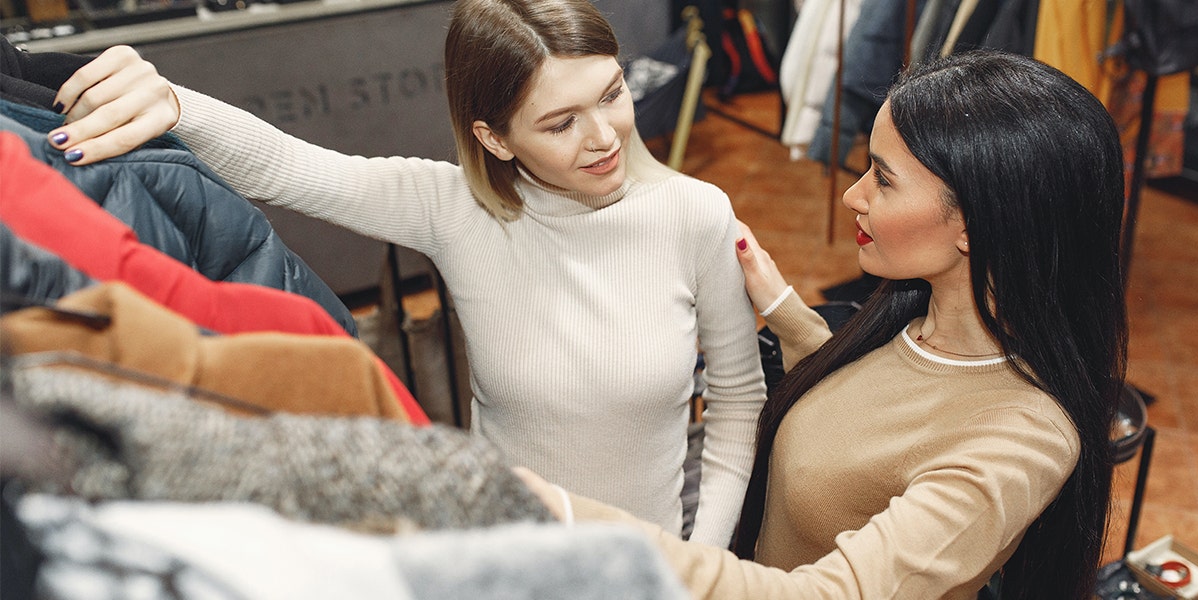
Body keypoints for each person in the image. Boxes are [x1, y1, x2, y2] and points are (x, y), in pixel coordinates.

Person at [44, 0, 766, 547]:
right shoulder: (453, 208)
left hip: (656, 563)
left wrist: (696, 563)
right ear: (494, 137)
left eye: (611, 93)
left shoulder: (696, 213)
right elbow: (290, 167)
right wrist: (174, 102)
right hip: (506, 558)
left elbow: (736, 405)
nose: (606, 137)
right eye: (561, 122)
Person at [516, 49, 1129, 600]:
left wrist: (570, 517)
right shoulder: (917, 320)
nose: (852, 196)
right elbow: (878, 411)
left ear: (976, 224)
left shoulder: (1025, 441)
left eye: (883, 179)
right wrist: (783, 307)